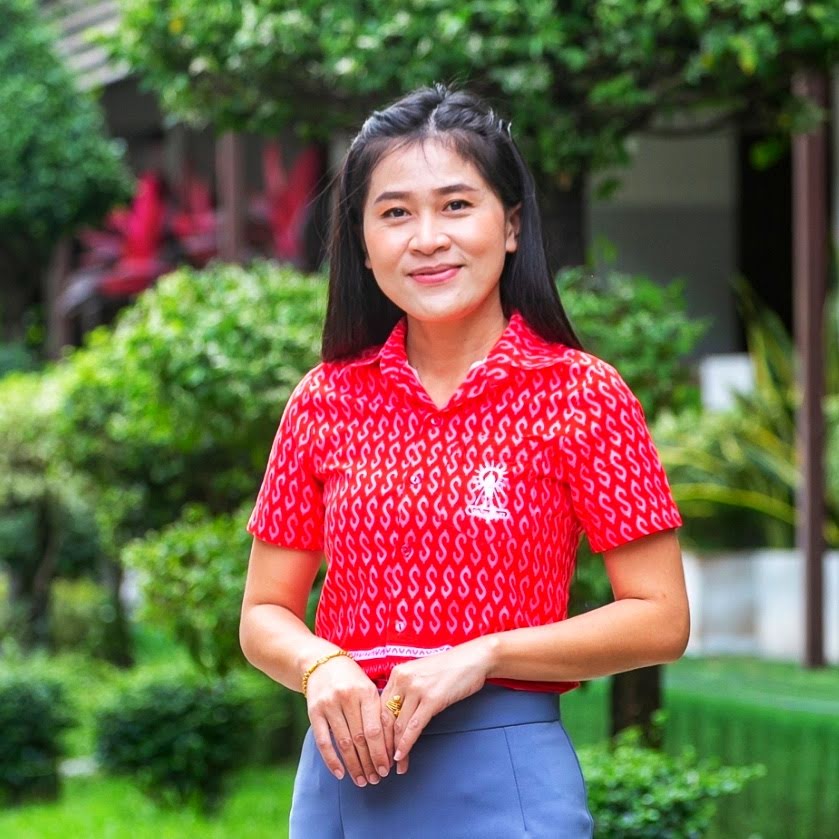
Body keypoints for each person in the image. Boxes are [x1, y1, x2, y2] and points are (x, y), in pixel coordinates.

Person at [239, 83, 689, 839]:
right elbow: (263, 613)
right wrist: (321, 664)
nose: (426, 238)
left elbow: (660, 618)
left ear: (510, 225)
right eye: (394, 213)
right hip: (342, 778)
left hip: (504, 777)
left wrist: (483, 654)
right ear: (362, 243)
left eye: (455, 205)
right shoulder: (324, 400)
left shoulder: (582, 395)